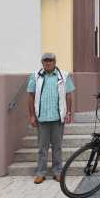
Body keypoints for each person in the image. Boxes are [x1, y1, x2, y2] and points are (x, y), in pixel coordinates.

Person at [27, 53, 75, 184]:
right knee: (42, 148)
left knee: (57, 147)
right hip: (42, 118)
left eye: (50, 61)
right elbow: (30, 96)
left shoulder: (64, 76)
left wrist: (69, 112)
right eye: (45, 61)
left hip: (57, 118)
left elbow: (69, 95)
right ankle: (40, 173)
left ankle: (57, 172)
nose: (48, 63)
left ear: (55, 62)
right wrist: (31, 115)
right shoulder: (35, 76)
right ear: (42, 63)